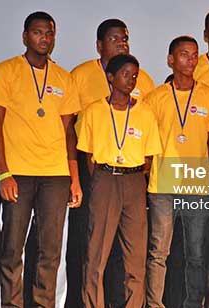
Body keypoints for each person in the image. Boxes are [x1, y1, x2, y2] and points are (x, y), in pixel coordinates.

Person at [0, 11, 82, 308]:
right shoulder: (5, 71)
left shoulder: (64, 78)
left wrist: (74, 179)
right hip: (18, 173)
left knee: (50, 251)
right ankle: (11, 304)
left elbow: (69, 134)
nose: (45, 38)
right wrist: (3, 174)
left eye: (49, 33)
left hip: (55, 174)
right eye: (38, 32)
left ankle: (43, 304)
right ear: (25, 36)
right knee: (12, 248)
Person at [78, 53, 160, 308]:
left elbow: (149, 157)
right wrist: (105, 176)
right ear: (110, 77)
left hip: (135, 181)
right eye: (125, 74)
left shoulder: (145, 112)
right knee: (96, 254)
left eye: (135, 75)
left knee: (135, 256)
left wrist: (131, 173)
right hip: (105, 179)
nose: (131, 80)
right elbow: (88, 156)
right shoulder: (94, 111)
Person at [143, 36, 209, 308]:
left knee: (196, 253)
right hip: (162, 185)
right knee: (158, 252)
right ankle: (154, 304)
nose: (191, 60)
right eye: (184, 54)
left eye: (195, 54)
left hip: (196, 185)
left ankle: (193, 303)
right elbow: (148, 143)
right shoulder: (154, 98)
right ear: (170, 60)